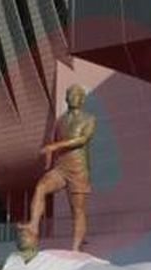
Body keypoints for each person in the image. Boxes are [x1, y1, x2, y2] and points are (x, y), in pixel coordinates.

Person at [19, 84, 97, 252]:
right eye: (70, 94)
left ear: (82, 99)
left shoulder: (89, 119)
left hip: (78, 169)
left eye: (77, 94)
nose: (73, 97)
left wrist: (54, 147)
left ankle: (76, 248)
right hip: (61, 167)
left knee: (77, 210)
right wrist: (48, 161)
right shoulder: (60, 121)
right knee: (41, 187)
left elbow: (82, 140)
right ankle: (33, 225)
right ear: (66, 98)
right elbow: (51, 144)